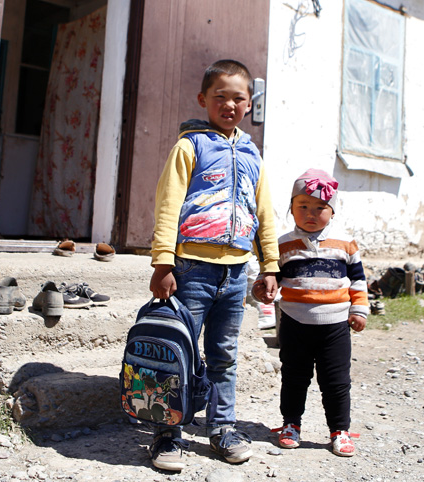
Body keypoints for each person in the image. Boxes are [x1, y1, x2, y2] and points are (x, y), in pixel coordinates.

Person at [148, 59, 279, 471]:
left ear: (249, 102)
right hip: (192, 270)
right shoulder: (190, 146)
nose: (229, 104)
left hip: (236, 272)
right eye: (219, 96)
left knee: (224, 355)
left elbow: (264, 213)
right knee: (178, 353)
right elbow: (168, 206)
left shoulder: (254, 155)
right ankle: (167, 435)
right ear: (203, 99)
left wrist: (270, 265)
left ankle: (221, 429)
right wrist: (163, 262)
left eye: (238, 97)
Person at [253, 168, 368, 457]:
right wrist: (260, 288)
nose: (311, 213)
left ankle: (339, 430)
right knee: (294, 377)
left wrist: (359, 310)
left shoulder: (345, 244)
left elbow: (357, 280)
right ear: (291, 209)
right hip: (294, 322)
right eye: (302, 206)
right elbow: (269, 277)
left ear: (332, 211)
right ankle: (291, 424)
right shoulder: (282, 245)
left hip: (335, 326)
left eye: (320, 208)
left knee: (336, 381)